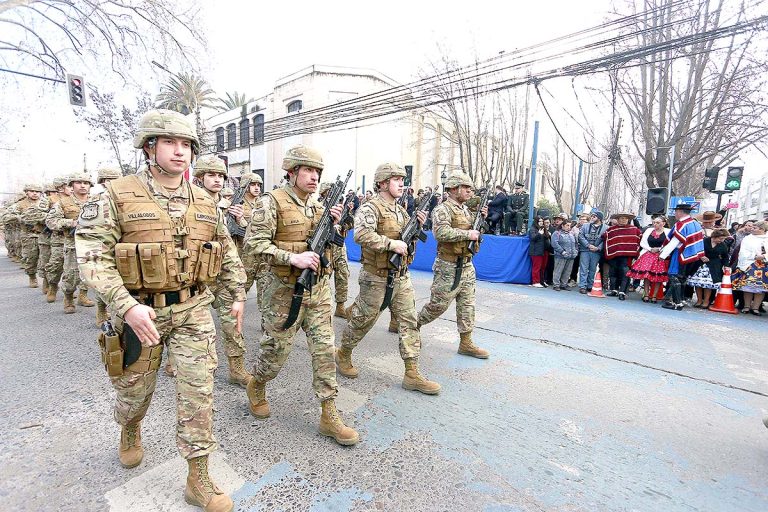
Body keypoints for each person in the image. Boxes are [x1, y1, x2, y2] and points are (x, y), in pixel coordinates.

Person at [75, 109, 246, 512]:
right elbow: (92, 257)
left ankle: (198, 474)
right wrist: (126, 307)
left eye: (187, 145)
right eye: (170, 143)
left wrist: (236, 294)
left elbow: (227, 254)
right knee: (135, 394)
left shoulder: (205, 201)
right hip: (139, 315)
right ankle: (130, 427)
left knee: (199, 393)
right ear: (149, 146)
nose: (180, 152)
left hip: (192, 310)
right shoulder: (113, 195)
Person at [242, 145, 358, 446]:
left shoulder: (320, 207)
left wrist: (335, 225)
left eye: (318, 172)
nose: (314, 177)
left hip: (318, 292)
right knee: (275, 353)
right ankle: (258, 383)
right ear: (291, 172)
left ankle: (328, 413)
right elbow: (253, 246)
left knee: (323, 351)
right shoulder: (272, 203)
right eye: (308, 170)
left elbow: (331, 249)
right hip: (282, 293)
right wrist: (290, 257)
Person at [336, 162, 440, 395]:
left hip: (401, 276)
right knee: (363, 320)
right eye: (396, 180)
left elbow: (407, 240)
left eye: (402, 180)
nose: (402, 184)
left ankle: (412, 373)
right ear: (383, 183)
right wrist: (391, 243)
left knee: (409, 321)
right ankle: (343, 352)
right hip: (376, 276)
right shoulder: (370, 208)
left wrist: (417, 227)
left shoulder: (401, 210)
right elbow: (361, 235)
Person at [190, 155, 253, 388]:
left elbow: (244, 240)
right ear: (199, 178)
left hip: (223, 274)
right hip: (197, 276)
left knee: (233, 323)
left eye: (220, 176)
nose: (217, 180)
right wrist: (217, 210)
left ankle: (236, 369)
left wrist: (238, 219)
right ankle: (177, 362)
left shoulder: (231, 204)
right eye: (211, 175)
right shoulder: (188, 202)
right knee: (188, 325)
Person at [416, 170, 490, 358]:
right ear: (453, 189)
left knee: (467, 305)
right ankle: (413, 326)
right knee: (437, 306)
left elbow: (474, 230)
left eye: (469, 188)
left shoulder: (465, 210)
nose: (469, 191)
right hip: (447, 266)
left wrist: (481, 219)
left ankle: (466, 342)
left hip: (467, 264)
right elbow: (441, 233)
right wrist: (468, 235)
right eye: (465, 187)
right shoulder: (443, 209)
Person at [47, 172, 95, 313]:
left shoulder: (97, 201)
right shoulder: (62, 203)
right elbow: (50, 221)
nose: (82, 185)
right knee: (71, 276)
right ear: (71, 186)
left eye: (85, 183)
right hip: (73, 244)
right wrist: (71, 223)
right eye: (78, 182)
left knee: (93, 275)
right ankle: (68, 297)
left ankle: (86, 299)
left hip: (93, 243)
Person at [90, 167, 123, 325]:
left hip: (124, 246)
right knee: (104, 277)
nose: (112, 183)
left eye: (114, 179)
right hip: (104, 245)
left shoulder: (127, 197)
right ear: (102, 183)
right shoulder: (96, 199)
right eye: (107, 180)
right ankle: (101, 307)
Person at [659, 203, 705, 310]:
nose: (675, 213)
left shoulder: (681, 224)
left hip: (681, 254)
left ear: (680, 212)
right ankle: (669, 299)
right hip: (693, 255)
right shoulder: (696, 224)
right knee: (682, 278)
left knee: (674, 277)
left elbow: (675, 241)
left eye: (676, 211)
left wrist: (663, 255)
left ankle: (677, 302)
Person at [319, 181, 354, 319]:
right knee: (323, 277)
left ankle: (340, 306)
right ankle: (321, 307)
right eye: (329, 191)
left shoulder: (341, 207)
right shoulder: (318, 207)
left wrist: (347, 215)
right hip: (325, 249)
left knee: (343, 275)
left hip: (339, 248)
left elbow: (349, 226)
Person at [8, 183, 47, 288]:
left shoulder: (45, 203)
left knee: (47, 259)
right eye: (32, 191)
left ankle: (47, 281)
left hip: (45, 234)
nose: (35, 193)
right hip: (28, 235)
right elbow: (6, 217)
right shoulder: (20, 205)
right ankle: (32, 276)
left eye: (37, 192)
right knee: (31, 258)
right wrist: (20, 218)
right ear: (26, 192)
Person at [627, 215, 670, 303]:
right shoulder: (649, 230)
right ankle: (646, 294)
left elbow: (669, 244)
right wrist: (651, 249)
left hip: (661, 255)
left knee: (658, 276)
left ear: (663, 223)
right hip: (648, 254)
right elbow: (642, 243)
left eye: (658, 222)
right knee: (646, 275)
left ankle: (654, 296)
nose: (655, 224)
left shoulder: (668, 232)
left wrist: (660, 249)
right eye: (654, 222)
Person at [687, 228, 731, 308]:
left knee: (709, 285)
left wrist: (726, 266)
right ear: (715, 236)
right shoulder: (704, 241)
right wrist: (701, 256)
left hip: (714, 266)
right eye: (721, 238)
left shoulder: (723, 245)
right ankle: (699, 300)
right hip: (700, 265)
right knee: (698, 283)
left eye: (723, 239)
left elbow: (725, 257)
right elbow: (695, 250)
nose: (722, 240)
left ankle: (706, 301)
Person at [45, 176, 73, 303]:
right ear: (61, 188)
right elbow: (45, 218)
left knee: (75, 270)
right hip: (58, 239)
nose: (72, 189)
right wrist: (68, 223)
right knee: (56, 266)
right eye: (69, 186)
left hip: (77, 239)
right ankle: (53, 286)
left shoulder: (78, 199)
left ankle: (77, 293)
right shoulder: (51, 200)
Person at [603, 212, 642, 300]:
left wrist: (635, 255)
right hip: (614, 255)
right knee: (613, 272)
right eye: (621, 218)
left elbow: (639, 239)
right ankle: (614, 290)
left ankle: (623, 292)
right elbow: (605, 238)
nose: (623, 220)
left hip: (627, 256)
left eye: (625, 218)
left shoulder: (634, 229)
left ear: (628, 220)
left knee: (625, 273)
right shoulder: (611, 230)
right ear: (617, 219)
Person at [732, 220, 768, 315]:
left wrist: (764, 256)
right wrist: (754, 256)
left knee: (761, 288)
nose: (752, 229)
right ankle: (746, 306)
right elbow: (743, 251)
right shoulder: (748, 238)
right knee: (748, 286)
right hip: (750, 264)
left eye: (755, 227)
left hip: (764, 265)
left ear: (762, 229)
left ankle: (756, 308)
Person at [578, 211, 607, 294]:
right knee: (583, 268)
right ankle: (582, 286)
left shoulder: (606, 228)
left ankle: (590, 286)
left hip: (596, 252)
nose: (592, 218)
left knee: (592, 269)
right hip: (585, 250)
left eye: (594, 216)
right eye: (592, 216)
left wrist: (598, 248)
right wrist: (588, 245)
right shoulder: (585, 226)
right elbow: (580, 236)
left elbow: (605, 240)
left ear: (599, 218)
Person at [550, 219, 578, 290]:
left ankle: (564, 284)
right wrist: (562, 251)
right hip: (560, 255)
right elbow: (554, 244)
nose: (569, 227)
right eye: (567, 225)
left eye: (570, 226)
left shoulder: (571, 234)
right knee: (558, 270)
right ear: (562, 225)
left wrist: (576, 251)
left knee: (567, 271)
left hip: (571, 256)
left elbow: (575, 244)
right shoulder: (557, 233)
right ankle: (556, 284)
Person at [528, 217, 547, 288]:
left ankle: (539, 281)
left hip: (540, 251)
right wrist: (539, 233)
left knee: (540, 267)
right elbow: (532, 238)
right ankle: (535, 281)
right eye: (539, 221)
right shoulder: (533, 229)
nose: (541, 222)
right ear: (536, 221)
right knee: (536, 267)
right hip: (535, 251)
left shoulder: (541, 228)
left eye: (542, 221)